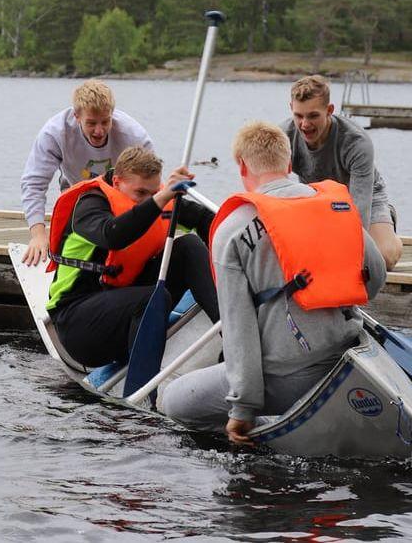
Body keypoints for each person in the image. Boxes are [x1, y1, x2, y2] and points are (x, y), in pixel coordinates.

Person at [158, 121, 387, 444]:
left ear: (241, 166)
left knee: (171, 400)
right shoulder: (337, 207)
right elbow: (375, 279)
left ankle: (263, 429)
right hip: (347, 358)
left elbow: (239, 328)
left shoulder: (233, 230)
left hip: (289, 378)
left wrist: (243, 408)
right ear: (290, 164)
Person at [46, 146, 217, 368]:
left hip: (129, 309)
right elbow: (114, 235)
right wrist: (162, 197)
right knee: (154, 297)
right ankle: (145, 389)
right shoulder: (90, 205)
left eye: (154, 192)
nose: (147, 199)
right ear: (117, 182)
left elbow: (207, 220)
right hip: (79, 327)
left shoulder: (159, 198)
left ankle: (233, 339)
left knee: (188, 246)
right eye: (140, 193)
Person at [19, 80, 154, 267]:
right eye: (91, 123)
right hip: (76, 195)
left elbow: (151, 184)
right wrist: (38, 236)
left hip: (119, 196)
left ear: (112, 115)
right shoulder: (55, 133)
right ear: (76, 116)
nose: (99, 131)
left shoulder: (134, 135)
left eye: (105, 122)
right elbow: (34, 184)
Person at [282, 75, 403, 269]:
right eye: (299, 116)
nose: (304, 124)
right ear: (291, 109)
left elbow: (359, 209)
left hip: (363, 199)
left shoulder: (356, 142)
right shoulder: (284, 138)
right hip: (316, 200)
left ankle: (388, 222)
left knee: (382, 259)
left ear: (329, 110)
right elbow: (273, 188)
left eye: (313, 116)